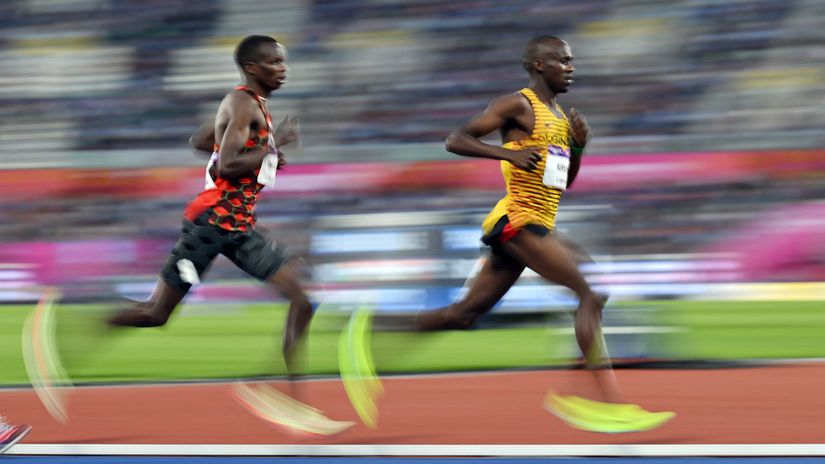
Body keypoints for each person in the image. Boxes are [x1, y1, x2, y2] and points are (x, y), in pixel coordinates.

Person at [346, 35, 674, 433]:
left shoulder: (559, 116)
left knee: (462, 316)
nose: (571, 67)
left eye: (572, 61)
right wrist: (509, 153)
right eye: (564, 60)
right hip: (519, 220)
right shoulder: (518, 104)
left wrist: (580, 146)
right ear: (540, 64)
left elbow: (563, 181)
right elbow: (456, 139)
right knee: (590, 292)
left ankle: (371, 326)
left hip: (539, 222)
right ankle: (604, 403)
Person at [95, 35, 351, 436]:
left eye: (283, 62)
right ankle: (88, 324)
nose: (283, 69)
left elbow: (202, 141)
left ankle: (287, 398)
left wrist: (258, 146)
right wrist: (272, 146)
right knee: (155, 314)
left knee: (303, 297)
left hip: (238, 227)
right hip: (211, 225)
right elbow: (227, 166)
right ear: (253, 68)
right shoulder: (244, 102)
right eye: (274, 62)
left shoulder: (251, 106)